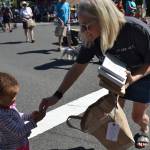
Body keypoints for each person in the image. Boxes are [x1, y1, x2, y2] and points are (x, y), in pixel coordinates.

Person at [39, 0, 150, 149]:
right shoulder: (91, 38)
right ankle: (118, 144)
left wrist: (133, 78)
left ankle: (144, 130)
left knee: (137, 117)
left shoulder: (134, 29)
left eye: (86, 26)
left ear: (104, 18)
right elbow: (78, 66)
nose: (83, 31)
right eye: (81, 26)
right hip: (117, 77)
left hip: (143, 76)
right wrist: (57, 95)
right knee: (114, 116)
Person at [0, 72, 46, 150]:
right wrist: (34, 121)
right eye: (11, 97)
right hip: (13, 147)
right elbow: (18, 132)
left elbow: (17, 115)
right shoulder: (2, 116)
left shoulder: (8, 105)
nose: (14, 99)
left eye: (15, 95)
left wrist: (30, 116)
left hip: (21, 143)